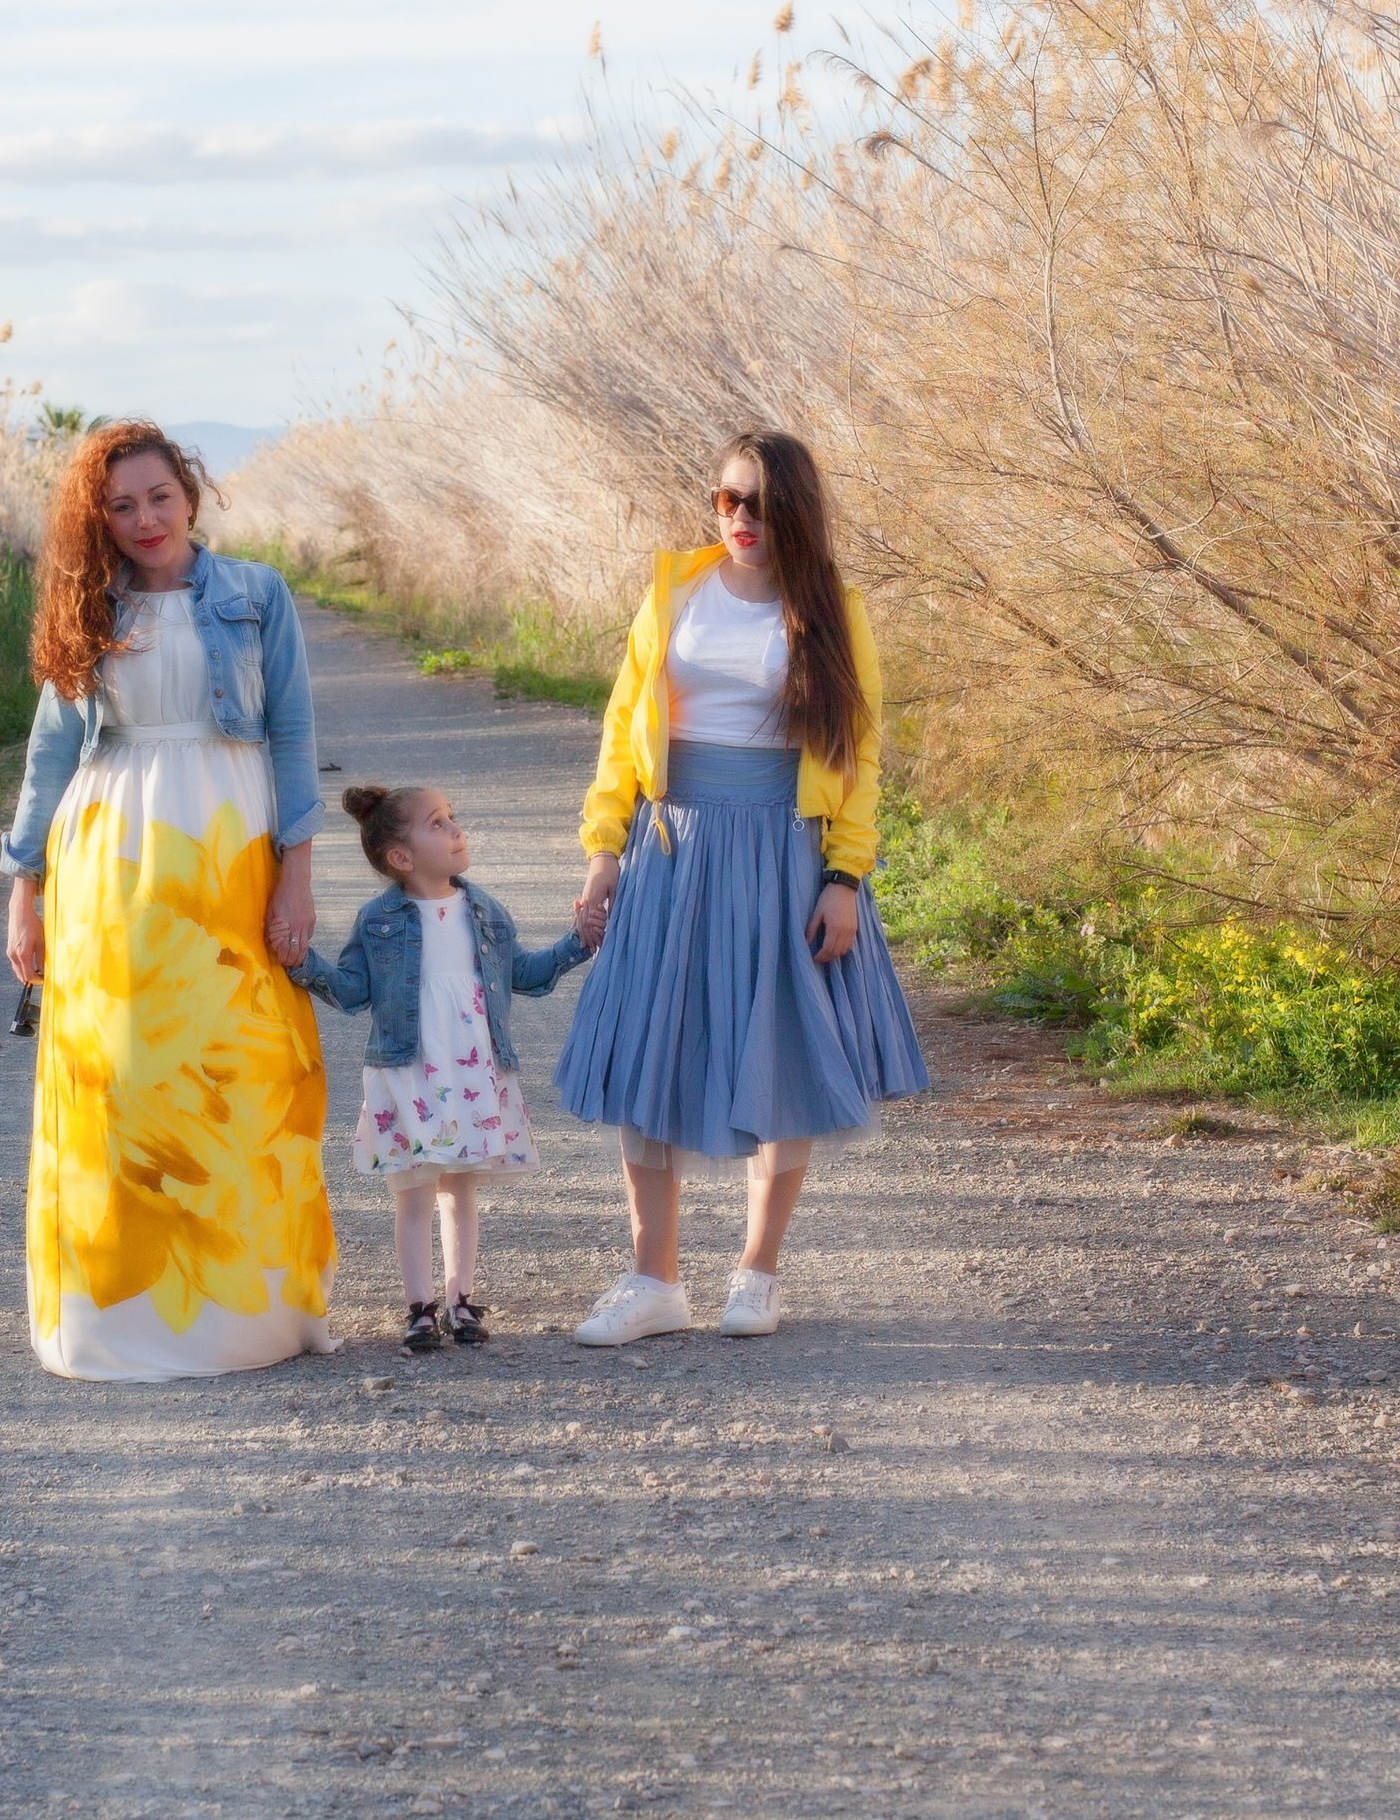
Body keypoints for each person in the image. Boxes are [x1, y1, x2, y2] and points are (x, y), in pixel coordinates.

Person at [556, 429, 928, 1344]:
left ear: (795, 510)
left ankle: (759, 1273)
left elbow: (858, 751)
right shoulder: (673, 593)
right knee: (655, 1043)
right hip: (671, 843)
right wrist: (605, 850)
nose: (739, 520)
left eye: (759, 503)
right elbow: (621, 726)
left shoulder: (832, 610)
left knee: (776, 1047)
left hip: (783, 847)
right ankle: (654, 1280)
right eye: (726, 500)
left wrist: (844, 875)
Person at [1, 419, 334, 1381]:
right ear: (96, 519)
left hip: (230, 841)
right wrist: (24, 890)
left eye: (159, 496)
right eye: (121, 506)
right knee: (125, 1067)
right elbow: (49, 756)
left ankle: (247, 1314)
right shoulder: (88, 608)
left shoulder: (256, 594)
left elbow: (294, 735)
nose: (146, 519)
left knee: (246, 1063)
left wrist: (298, 873)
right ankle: (120, 1314)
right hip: (113, 847)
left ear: (190, 494)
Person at [292, 783, 591, 1351]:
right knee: (414, 1192)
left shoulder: (483, 910)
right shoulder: (378, 920)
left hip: (472, 1070)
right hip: (411, 1072)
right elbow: (353, 993)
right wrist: (301, 962)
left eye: (453, 818)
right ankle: (418, 1308)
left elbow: (524, 974)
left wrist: (578, 942)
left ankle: (460, 1301)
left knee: (460, 1188)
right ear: (400, 858)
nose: (456, 831)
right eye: (438, 823)